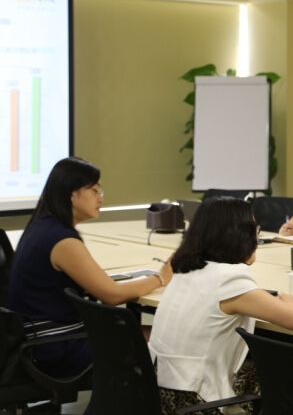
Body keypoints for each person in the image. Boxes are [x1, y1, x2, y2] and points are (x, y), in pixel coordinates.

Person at [149, 197, 293, 415]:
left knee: (260, 365)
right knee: (292, 372)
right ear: (238, 235)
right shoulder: (229, 279)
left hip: (160, 406)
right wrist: (290, 300)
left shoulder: (185, 269)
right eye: (255, 230)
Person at [6, 157, 171, 376]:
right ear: (72, 194)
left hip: (38, 338)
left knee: (150, 334)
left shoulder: (42, 226)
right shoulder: (62, 241)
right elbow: (112, 296)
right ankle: (158, 397)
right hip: (56, 345)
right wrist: (161, 278)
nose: (100, 198)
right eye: (94, 190)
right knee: (166, 340)